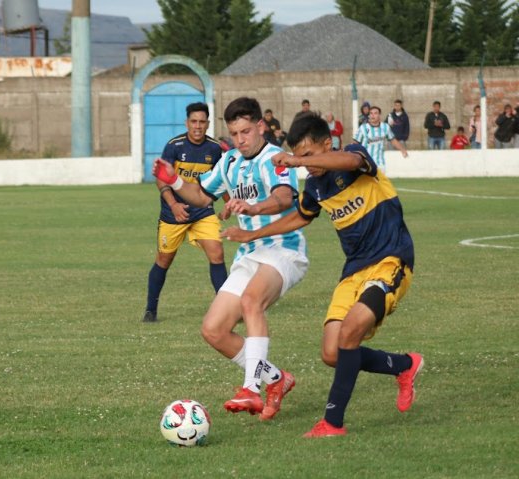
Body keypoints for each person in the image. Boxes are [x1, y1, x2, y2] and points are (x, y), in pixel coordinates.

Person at [222, 112, 423, 438]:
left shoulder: (355, 158)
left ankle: (332, 423)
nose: (307, 165)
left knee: (351, 330)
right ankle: (404, 365)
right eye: (299, 157)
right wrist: (251, 234)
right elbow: (300, 217)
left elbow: (348, 160)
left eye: (309, 155)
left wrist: (296, 161)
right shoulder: (316, 186)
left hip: (391, 260)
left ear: (328, 144)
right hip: (354, 269)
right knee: (332, 353)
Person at [153, 97, 308, 420]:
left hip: (283, 249)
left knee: (252, 301)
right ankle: (276, 379)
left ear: (261, 126)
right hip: (250, 253)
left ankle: (251, 388)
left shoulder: (275, 158)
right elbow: (200, 196)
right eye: (235, 133)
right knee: (214, 330)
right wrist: (174, 180)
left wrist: (254, 207)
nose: (240, 139)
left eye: (246, 132)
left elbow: (283, 197)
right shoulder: (229, 161)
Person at [142, 102, 227, 323]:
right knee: (164, 259)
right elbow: (162, 180)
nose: (198, 126)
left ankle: (226, 309)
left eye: (202, 122)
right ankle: (151, 310)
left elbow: (221, 180)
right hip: (173, 214)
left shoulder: (214, 149)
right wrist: (174, 205)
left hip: (203, 211)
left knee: (217, 253)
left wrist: (229, 204)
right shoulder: (174, 146)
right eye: (193, 121)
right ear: (186, 123)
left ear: (208, 124)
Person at [353, 106, 407, 171]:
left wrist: (402, 150)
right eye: (371, 113)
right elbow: (355, 143)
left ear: (379, 115)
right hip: (366, 164)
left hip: (380, 164)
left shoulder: (385, 127)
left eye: (375, 113)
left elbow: (393, 140)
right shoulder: (363, 128)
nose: (373, 115)